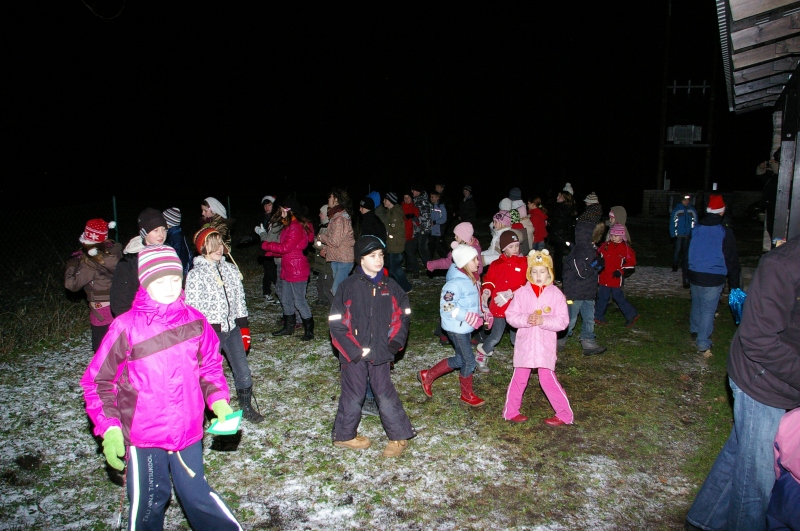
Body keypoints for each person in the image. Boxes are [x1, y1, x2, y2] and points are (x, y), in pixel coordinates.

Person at [81, 245, 242, 531]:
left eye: (175, 279)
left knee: (196, 494)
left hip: (187, 429)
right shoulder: (126, 327)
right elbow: (99, 382)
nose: (169, 287)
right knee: (150, 501)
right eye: (160, 280)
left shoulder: (195, 320)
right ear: (145, 283)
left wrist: (218, 401)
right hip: (144, 434)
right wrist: (110, 428)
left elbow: (210, 366)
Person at [685, 235, 800, 531]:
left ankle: (702, 520)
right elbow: (758, 339)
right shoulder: (782, 265)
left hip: (783, 380)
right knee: (756, 482)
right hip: (761, 383)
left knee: (740, 451)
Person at [329, 235, 416, 457]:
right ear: (360, 259)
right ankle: (344, 435)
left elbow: (402, 315)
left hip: (381, 350)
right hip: (353, 353)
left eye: (381, 255)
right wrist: (352, 351)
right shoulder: (348, 286)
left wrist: (394, 342)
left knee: (384, 393)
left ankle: (399, 436)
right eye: (372, 256)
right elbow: (336, 322)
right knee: (353, 393)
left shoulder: (391, 286)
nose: (379, 260)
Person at [185, 227, 264, 423]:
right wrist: (198, 336)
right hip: (210, 333)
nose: (219, 248)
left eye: (220, 243)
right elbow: (192, 308)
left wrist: (243, 327)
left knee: (243, 371)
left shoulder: (230, 270)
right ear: (203, 248)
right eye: (214, 244)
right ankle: (207, 412)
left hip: (233, 329)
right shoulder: (196, 275)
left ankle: (246, 407)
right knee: (208, 374)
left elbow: (239, 299)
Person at [502, 249, 571, 425]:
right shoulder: (521, 293)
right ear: (529, 272)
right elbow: (511, 315)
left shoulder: (556, 294)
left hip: (544, 346)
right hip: (525, 345)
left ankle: (564, 414)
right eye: (534, 271)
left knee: (547, 379)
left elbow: (562, 321)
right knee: (519, 379)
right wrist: (526, 319)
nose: (538, 276)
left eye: (542, 271)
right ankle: (511, 411)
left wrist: (543, 320)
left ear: (549, 272)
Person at [417, 244, 487, 407]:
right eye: (474, 259)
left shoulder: (472, 279)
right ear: (464, 262)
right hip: (457, 328)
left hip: (464, 326)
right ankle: (466, 395)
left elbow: (472, 303)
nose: (478, 262)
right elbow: (447, 306)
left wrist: (483, 313)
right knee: (469, 362)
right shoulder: (455, 284)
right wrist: (467, 316)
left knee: (460, 359)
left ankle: (428, 375)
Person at [687, 194, 740, 354]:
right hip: (714, 276)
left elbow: (687, 253)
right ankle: (703, 341)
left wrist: (686, 275)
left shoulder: (696, 229)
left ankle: (695, 329)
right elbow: (731, 259)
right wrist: (734, 284)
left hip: (695, 273)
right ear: (722, 212)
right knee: (708, 309)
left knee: (697, 303)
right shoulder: (725, 232)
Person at [64, 218, 123, 351]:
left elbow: (71, 285)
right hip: (117, 303)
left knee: (100, 347)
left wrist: (72, 264)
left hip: (101, 309)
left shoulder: (90, 262)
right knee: (116, 342)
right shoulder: (115, 252)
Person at [262, 196, 316, 340]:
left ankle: (309, 330)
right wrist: (268, 253)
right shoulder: (288, 225)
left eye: (281, 210)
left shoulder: (295, 226)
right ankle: (288, 327)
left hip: (297, 269)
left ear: (288, 210)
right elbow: (285, 249)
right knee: (286, 299)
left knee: (299, 301)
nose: (280, 213)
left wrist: (266, 245)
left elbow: (286, 247)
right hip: (287, 267)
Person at [476, 230, 528, 373]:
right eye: (511, 246)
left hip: (517, 307)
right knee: (495, 336)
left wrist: (512, 293)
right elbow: (489, 280)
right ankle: (481, 355)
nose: (515, 249)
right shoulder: (496, 264)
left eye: (517, 245)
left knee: (517, 337)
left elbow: (527, 284)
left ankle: (523, 360)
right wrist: (486, 291)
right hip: (499, 308)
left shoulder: (524, 263)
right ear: (504, 248)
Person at [426, 222, 484, 346]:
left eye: (457, 235)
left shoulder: (472, 251)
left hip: (469, 285)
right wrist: (434, 264)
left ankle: (475, 334)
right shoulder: (458, 249)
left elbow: (479, 268)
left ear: (463, 237)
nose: (454, 238)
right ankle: (445, 333)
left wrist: (469, 273)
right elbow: (448, 261)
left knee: (470, 309)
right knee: (451, 306)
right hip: (457, 284)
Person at [559, 220, 607, 356]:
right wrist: (595, 265)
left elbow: (591, 270)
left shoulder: (590, 249)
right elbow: (581, 273)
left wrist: (598, 264)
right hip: (575, 293)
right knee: (570, 319)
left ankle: (588, 341)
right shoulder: (578, 252)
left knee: (589, 319)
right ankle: (559, 340)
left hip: (588, 292)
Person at [110, 207, 168, 317]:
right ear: (144, 233)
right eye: (155, 230)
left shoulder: (169, 254)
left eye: (164, 229)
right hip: (141, 318)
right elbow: (120, 302)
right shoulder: (129, 262)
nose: (161, 235)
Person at [594, 223, 639, 328]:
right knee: (602, 296)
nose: (613, 237)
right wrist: (596, 264)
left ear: (622, 236)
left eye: (616, 235)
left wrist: (621, 271)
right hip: (604, 277)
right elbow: (598, 256)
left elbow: (631, 263)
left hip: (615, 278)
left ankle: (632, 314)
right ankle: (597, 316)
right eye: (612, 235)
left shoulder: (625, 249)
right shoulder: (605, 246)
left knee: (618, 297)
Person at [316, 188, 355, 295]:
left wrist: (320, 237)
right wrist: (325, 249)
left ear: (336, 200)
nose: (328, 199)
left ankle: (350, 304)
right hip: (336, 257)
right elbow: (334, 237)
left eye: (330, 197)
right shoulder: (335, 217)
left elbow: (335, 241)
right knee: (339, 290)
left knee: (337, 290)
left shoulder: (340, 219)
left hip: (343, 259)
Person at [767, 407, 800, 529]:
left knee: (776, 522)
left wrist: (779, 477)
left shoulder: (795, 416)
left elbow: (777, 451)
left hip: (787, 486)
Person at [383, 192, 413, 293]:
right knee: (391, 268)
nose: (383, 201)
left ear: (390, 201)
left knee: (395, 268)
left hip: (396, 245)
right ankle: (392, 287)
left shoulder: (395, 213)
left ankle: (406, 287)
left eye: (385, 199)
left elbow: (394, 228)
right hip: (392, 244)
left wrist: (386, 229)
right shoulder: (390, 212)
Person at [548, 189, 577, 283]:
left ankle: (559, 278)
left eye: (559, 196)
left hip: (560, 236)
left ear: (563, 198)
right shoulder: (569, 208)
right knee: (568, 256)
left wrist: (550, 222)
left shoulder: (561, 209)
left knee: (558, 258)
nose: (557, 197)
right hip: (565, 236)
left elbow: (558, 222)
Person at [669, 195, 698, 288]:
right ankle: (675, 265)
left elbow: (695, 222)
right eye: (685, 200)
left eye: (688, 200)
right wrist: (673, 234)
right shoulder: (677, 210)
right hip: (679, 234)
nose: (686, 202)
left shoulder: (692, 210)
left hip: (688, 235)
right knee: (677, 250)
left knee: (687, 252)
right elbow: (672, 222)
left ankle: (685, 267)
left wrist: (694, 233)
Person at [311, 204, 335, 307]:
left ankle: (334, 304)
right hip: (321, 263)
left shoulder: (329, 228)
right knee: (319, 282)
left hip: (326, 264)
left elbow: (326, 245)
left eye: (321, 213)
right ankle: (323, 300)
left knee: (327, 285)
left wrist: (316, 242)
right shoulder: (322, 227)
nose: (319, 215)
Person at [162, 207, 193, 282]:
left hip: (182, 275)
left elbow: (179, 260)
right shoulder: (174, 234)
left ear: (168, 224)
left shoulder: (176, 239)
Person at [409, 184, 432, 276]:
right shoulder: (416, 200)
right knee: (419, 249)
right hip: (418, 229)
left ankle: (431, 268)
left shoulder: (423, 201)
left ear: (418, 191)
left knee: (423, 249)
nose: (412, 192)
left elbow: (426, 216)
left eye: (413, 190)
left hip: (424, 229)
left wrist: (416, 219)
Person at [401, 192, 421, 278]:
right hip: (402, 234)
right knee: (405, 252)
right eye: (405, 198)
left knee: (410, 252)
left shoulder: (415, 207)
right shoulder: (400, 208)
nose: (407, 199)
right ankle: (408, 267)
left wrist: (413, 217)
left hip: (412, 234)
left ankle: (415, 270)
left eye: (408, 197)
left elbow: (419, 222)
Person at [429, 190, 449, 259]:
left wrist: (435, 222)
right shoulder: (431, 206)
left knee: (439, 246)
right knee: (431, 246)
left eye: (432, 197)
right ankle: (429, 261)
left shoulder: (441, 207)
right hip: (432, 230)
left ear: (437, 198)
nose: (431, 198)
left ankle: (447, 260)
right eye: (430, 197)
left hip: (438, 231)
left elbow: (444, 219)